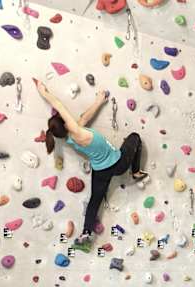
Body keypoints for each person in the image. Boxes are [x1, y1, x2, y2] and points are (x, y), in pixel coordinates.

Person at [35, 81, 148, 241]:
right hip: (118, 163)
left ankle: (86, 232)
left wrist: (98, 102)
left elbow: (84, 117)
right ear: (67, 124)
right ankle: (135, 171)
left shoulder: (71, 137)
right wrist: (43, 91)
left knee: (95, 200)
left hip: (100, 170)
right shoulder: (76, 131)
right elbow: (58, 104)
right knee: (135, 137)